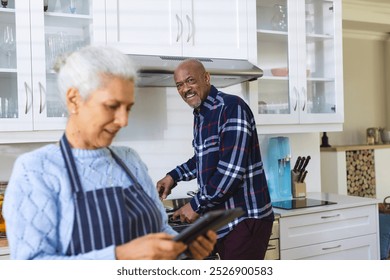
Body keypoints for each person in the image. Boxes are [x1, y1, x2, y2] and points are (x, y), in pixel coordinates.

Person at [2, 46, 216, 260]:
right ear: (74, 99)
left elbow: (161, 232)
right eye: (112, 106)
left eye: (128, 108)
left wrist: (184, 250)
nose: (123, 121)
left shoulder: (130, 161)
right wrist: (119, 257)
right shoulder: (35, 171)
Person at [157, 59, 274, 260]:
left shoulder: (231, 108)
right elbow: (204, 159)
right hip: (224, 223)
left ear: (206, 78)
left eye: (190, 80)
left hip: (245, 219)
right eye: (179, 85)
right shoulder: (201, 114)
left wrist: (196, 204)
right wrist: (173, 176)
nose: (185, 89)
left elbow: (231, 172)